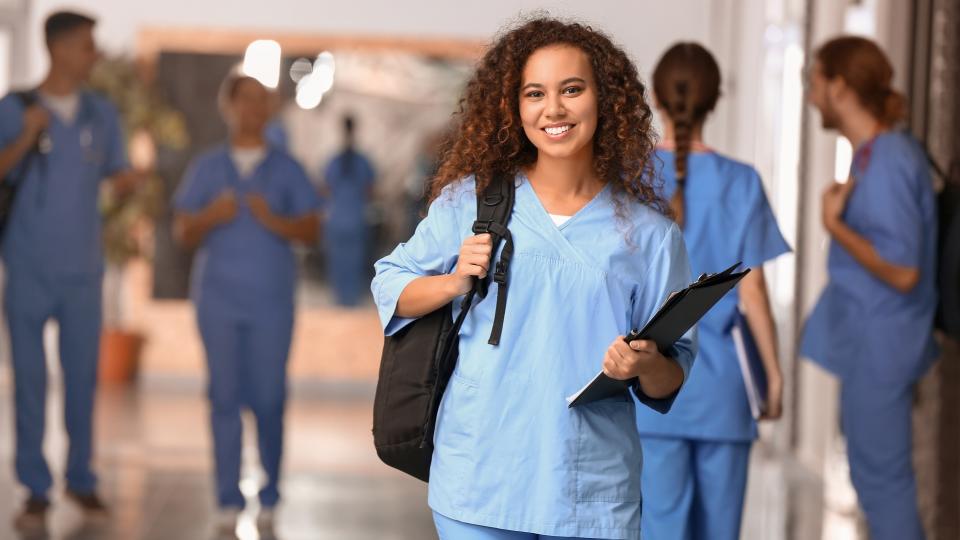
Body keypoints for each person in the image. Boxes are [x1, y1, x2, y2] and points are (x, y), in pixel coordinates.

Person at [371, 18, 696, 540]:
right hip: (480, 478)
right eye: (535, 93)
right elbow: (390, 284)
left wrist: (646, 362)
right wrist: (454, 282)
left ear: (605, 98)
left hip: (589, 489)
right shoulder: (471, 204)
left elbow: (672, 375)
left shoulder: (650, 237)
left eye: (572, 89)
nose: (554, 110)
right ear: (514, 107)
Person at [633, 43, 790, 540]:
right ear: (716, 100)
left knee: (659, 527)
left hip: (652, 390)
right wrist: (774, 376)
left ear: (656, 98)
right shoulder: (742, 182)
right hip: (724, 393)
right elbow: (755, 292)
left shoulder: (629, 179)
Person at [0, 10, 141, 528]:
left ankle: (81, 480)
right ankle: (34, 488)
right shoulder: (14, 108)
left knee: (82, 379)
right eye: (87, 45)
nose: (95, 54)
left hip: (83, 269)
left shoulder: (102, 114)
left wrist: (128, 181)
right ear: (59, 49)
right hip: (27, 266)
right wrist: (24, 137)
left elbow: (117, 170)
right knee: (30, 380)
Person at [801, 36, 937, 540]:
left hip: (885, 344)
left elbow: (904, 271)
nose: (810, 96)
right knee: (870, 476)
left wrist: (835, 227)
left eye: (813, 82)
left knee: (883, 483)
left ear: (838, 87)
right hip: (870, 343)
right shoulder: (871, 154)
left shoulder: (891, 158)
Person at [173, 70, 320, 533]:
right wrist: (209, 216)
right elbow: (181, 231)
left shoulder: (287, 168)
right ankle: (226, 497)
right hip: (217, 299)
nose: (253, 108)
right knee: (223, 397)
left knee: (270, 398)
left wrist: (274, 221)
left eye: (262, 100)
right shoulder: (207, 167)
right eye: (245, 99)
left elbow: (312, 229)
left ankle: (271, 493)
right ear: (228, 106)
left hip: (271, 302)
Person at [322, 114, 375, 307]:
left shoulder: (334, 161)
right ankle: (349, 299)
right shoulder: (362, 161)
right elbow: (370, 190)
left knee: (339, 261)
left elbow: (324, 188)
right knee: (353, 260)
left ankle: (341, 298)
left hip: (338, 218)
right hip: (354, 217)